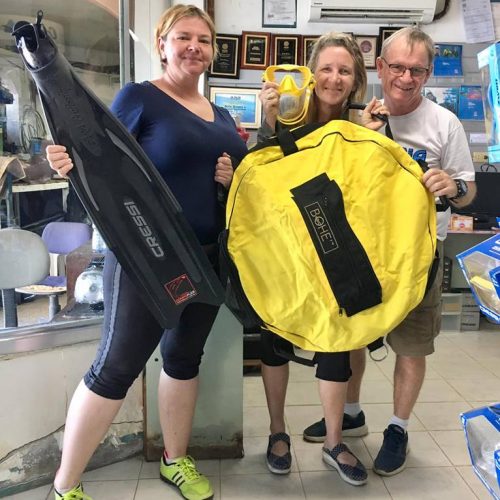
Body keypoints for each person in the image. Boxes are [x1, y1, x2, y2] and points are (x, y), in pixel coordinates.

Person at [46, 5, 247, 500]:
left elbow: (241, 190)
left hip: (206, 258)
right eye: (183, 37)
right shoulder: (140, 97)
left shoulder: (222, 115)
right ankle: (65, 485)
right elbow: (98, 157)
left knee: (184, 360)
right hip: (145, 258)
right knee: (115, 368)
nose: (194, 47)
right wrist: (66, 162)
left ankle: (175, 461)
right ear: (162, 44)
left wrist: (231, 179)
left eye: (204, 39)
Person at [302, 26, 477, 477]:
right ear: (380, 67)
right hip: (366, 252)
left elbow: (468, 191)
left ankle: (398, 429)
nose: (405, 77)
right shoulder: (358, 116)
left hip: (420, 255)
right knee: (355, 333)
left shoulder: (445, 123)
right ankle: (352, 413)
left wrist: (453, 186)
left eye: (417, 70)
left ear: (428, 73)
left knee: (411, 344)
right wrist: (363, 138)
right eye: (397, 66)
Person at [256, 32, 388, 487]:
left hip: (336, 249)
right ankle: (278, 432)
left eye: (345, 71)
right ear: (311, 75)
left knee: (337, 341)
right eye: (326, 69)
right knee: (275, 337)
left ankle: (334, 441)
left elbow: (372, 194)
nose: (335, 78)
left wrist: (371, 140)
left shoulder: (362, 126)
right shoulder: (287, 116)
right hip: (284, 250)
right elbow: (259, 174)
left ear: (356, 80)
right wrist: (268, 125)